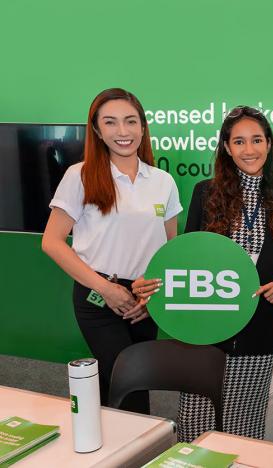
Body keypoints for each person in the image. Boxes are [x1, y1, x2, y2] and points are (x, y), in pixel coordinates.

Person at [150, 105, 273, 442]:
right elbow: (186, 257)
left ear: (269, 144)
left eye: (257, 140)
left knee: (245, 428)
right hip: (208, 330)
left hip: (260, 331)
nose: (249, 149)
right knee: (196, 425)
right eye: (239, 141)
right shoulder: (206, 193)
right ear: (227, 148)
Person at [42, 88, 182, 413]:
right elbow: (51, 241)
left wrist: (152, 298)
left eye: (130, 121)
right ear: (97, 129)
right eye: (111, 122)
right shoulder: (80, 176)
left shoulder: (162, 181)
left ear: (143, 127)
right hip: (98, 297)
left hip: (145, 300)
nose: (123, 131)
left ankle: (107, 441)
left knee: (124, 385)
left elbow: (170, 249)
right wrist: (106, 289)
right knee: (130, 383)